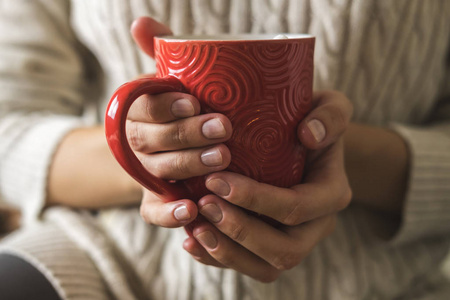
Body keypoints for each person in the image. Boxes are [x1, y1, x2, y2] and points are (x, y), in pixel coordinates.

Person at [0, 0, 449, 299]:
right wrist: (152, 160)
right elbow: (8, 129)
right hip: (108, 263)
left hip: (383, 279)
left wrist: (337, 156)